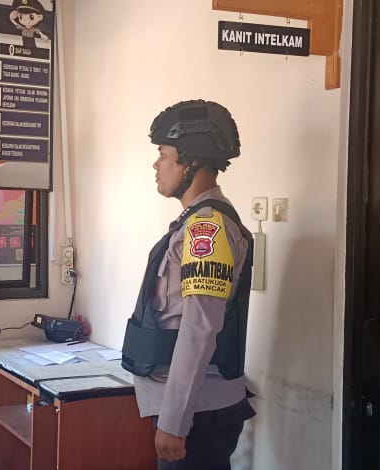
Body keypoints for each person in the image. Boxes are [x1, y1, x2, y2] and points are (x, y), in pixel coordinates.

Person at [121, 99, 256, 469]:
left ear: (189, 161)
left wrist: (174, 421)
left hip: (198, 414)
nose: (156, 164)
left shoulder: (207, 228)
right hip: (195, 408)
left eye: (163, 154)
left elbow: (198, 328)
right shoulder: (193, 222)